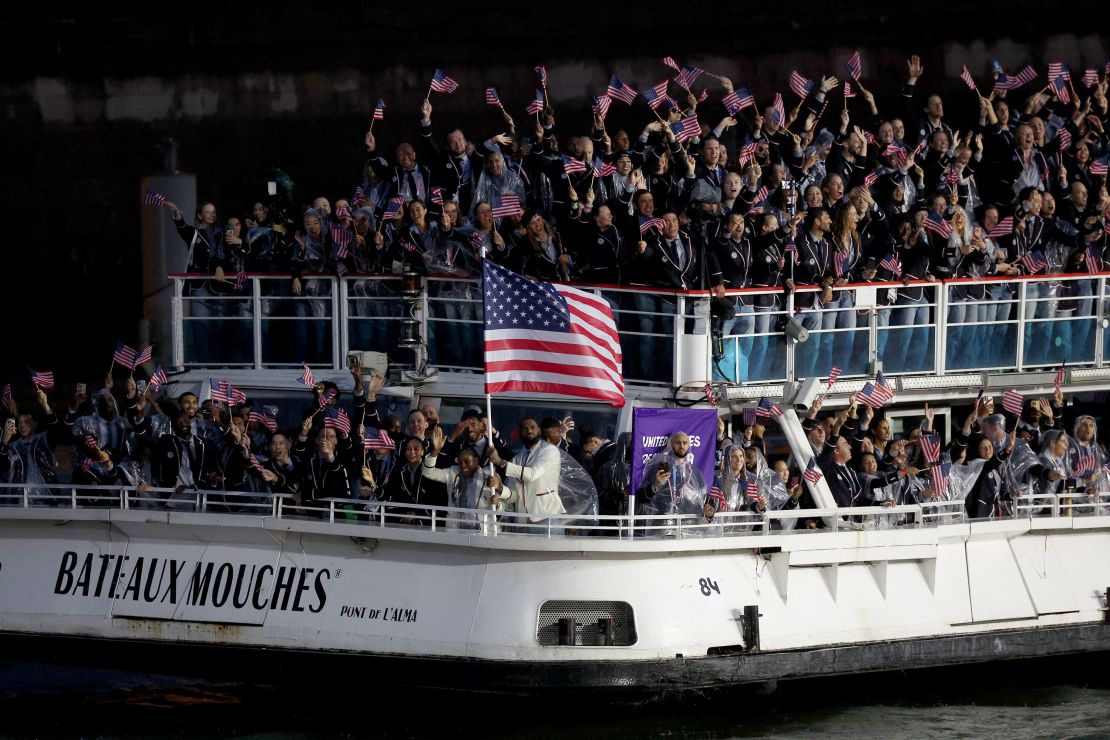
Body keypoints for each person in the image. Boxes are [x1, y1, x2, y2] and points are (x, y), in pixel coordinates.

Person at [421, 426, 503, 533]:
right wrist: (436, 450)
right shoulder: (453, 473)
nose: (463, 465)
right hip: (456, 532)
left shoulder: (490, 474)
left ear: (476, 459)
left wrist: (497, 504)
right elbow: (428, 473)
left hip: (485, 532)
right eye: (460, 462)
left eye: (467, 461)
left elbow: (504, 507)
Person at [488, 417, 565, 525]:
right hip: (523, 522)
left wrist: (500, 462)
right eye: (525, 428)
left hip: (547, 519)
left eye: (532, 427)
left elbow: (532, 474)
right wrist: (499, 488)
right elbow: (514, 495)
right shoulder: (516, 459)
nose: (529, 430)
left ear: (539, 430)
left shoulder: (550, 450)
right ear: (520, 433)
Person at [637, 431, 711, 522]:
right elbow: (641, 499)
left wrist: (709, 513)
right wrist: (654, 485)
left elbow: (703, 503)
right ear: (671, 445)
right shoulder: (660, 468)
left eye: (685, 443)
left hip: (688, 529)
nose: (682, 446)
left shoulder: (695, 473)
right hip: (661, 529)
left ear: (689, 446)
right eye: (678, 442)